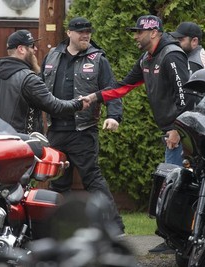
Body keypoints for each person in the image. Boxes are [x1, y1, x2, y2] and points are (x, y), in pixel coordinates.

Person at [82, 15, 194, 253]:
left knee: (176, 186)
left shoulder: (171, 55)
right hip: (172, 130)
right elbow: (123, 86)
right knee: (172, 184)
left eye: (138, 32)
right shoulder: (147, 58)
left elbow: (186, 96)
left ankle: (177, 240)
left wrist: (177, 129)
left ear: (154, 33)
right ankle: (177, 239)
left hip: (183, 131)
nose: (135, 36)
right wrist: (95, 97)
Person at [41, 17, 125, 235]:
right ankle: (54, 229)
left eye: (88, 32)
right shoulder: (51, 56)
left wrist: (114, 115)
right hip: (56, 130)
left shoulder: (98, 59)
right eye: (81, 32)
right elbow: (38, 91)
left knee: (92, 179)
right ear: (69, 33)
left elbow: (111, 90)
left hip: (83, 131)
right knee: (57, 182)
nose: (86, 35)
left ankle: (115, 228)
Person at [0, 29, 88, 134]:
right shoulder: (29, 78)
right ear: (21, 49)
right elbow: (55, 106)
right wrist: (78, 103)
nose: (35, 49)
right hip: (19, 145)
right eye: (32, 46)